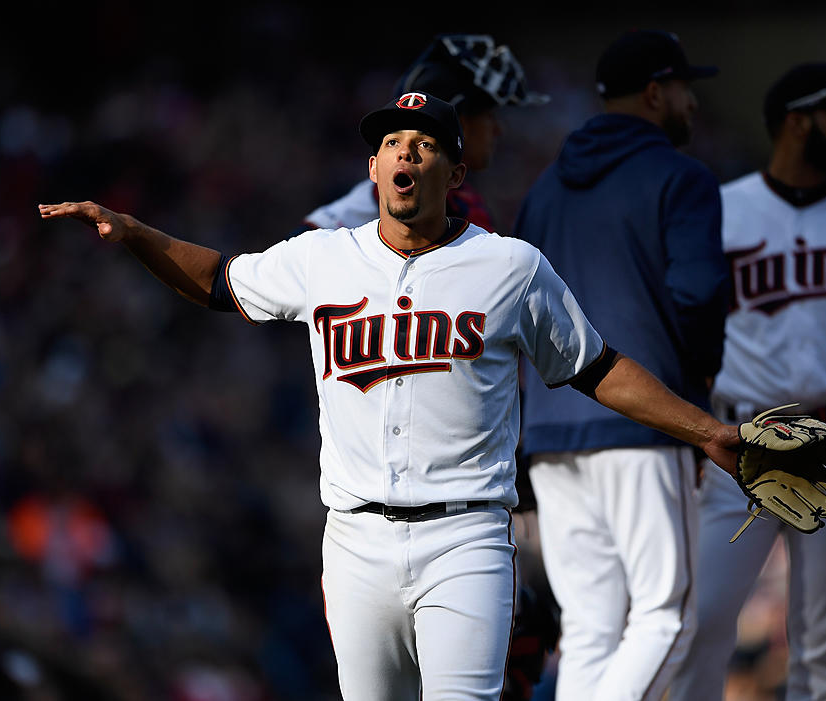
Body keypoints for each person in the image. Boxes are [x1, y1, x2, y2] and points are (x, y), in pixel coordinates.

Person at [39, 92, 745, 701]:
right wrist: (134, 234)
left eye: (426, 143)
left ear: (455, 171)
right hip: (354, 540)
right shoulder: (322, 258)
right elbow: (221, 280)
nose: (406, 152)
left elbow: (598, 366)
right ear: (374, 169)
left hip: (465, 535)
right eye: (391, 143)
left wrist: (703, 429)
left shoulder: (509, 266)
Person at [299, 33, 557, 700]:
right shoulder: (375, 215)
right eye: (491, 112)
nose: (499, 128)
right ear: (460, 117)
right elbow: (307, 256)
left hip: (468, 479)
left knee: (522, 638)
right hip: (380, 489)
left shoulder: (469, 221)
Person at [669, 62, 826, 701]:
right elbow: (687, 336)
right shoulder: (722, 210)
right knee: (698, 623)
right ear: (796, 120)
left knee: (822, 643)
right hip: (739, 438)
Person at [512, 29, 729, 700]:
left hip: (550, 434)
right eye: (686, 89)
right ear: (656, 92)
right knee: (668, 616)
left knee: (590, 627)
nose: (693, 103)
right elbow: (698, 298)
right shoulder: (681, 177)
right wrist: (696, 411)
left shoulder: (545, 190)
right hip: (642, 419)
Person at [301, 33, 548, 233]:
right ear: (460, 123)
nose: (498, 129)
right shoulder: (331, 231)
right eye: (489, 115)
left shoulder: (465, 205)